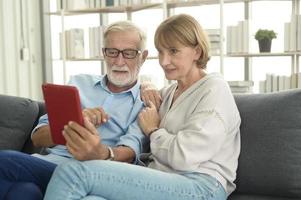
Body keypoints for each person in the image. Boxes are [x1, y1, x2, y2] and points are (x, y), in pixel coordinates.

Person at [43, 14, 241, 200]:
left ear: (197, 51)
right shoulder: (170, 92)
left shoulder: (214, 90)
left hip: (202, 187)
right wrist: (147, 85)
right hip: (162, 178)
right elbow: (146, 91)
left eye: (173, 51)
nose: (164, 61)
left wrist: (154, 130)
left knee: (73, 172)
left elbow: (184, 157)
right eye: (161, 52)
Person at [0, 20, 149, 200]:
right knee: (25, 192)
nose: (119, 61)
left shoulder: (144, 102)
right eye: (112, 52)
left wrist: (99, 151)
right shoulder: (78, 83)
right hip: (45, 165)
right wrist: (73, 123)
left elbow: (129, 154)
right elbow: (38, 138)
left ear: (143, 56)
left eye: (129, 53)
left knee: (5, 160)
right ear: (104, 53)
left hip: (86, 174)